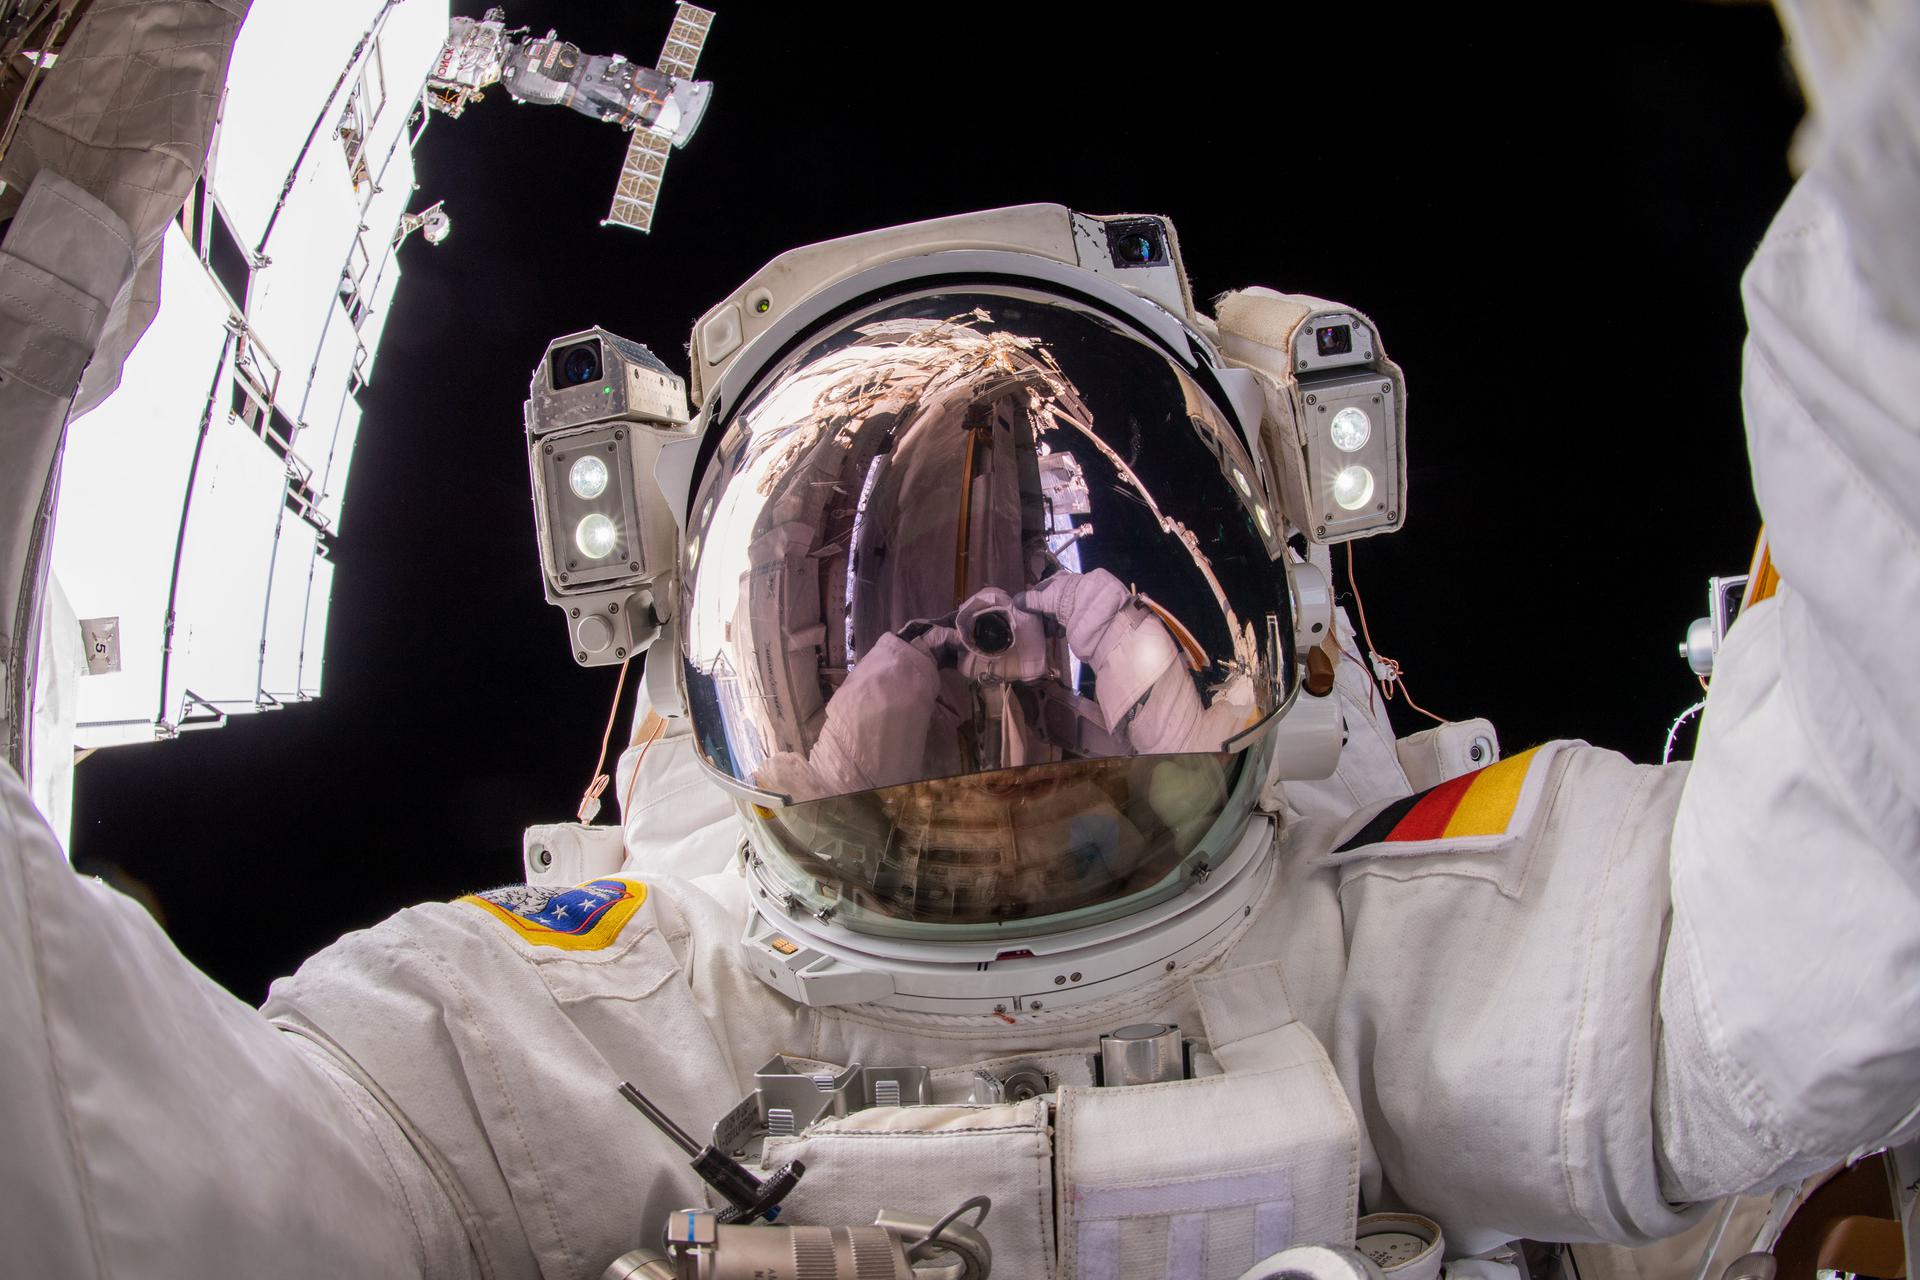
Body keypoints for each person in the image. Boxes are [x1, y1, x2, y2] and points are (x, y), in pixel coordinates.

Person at [4, 9, 1918, 1278]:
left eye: (1062, 579)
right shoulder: (579, 1033)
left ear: (1270, 618)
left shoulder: (1426, 944)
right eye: (892, 596)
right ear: (734, 662)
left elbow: (1851, 867)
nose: (999, 663)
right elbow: (132, 1186)